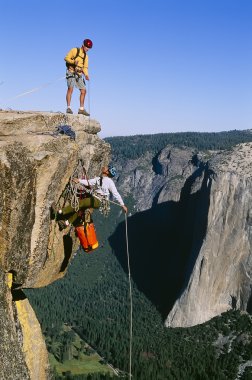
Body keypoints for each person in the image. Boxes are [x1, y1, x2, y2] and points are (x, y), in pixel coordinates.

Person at [52, 165, 127, 230]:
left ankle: (59, 212)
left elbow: (115, 193)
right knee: (80, 210)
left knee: (81, 203)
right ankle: (66, 223)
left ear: (107, 172)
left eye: (107, 167)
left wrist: (122, 205)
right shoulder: (99, 179)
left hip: (97, 200)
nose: (104, 167)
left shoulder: (110, 182)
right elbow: (89, 182)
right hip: (95, 199)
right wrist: (79, 180)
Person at [64, 38, 93, 116]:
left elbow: (85, 67)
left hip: (79, 74)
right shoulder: (75, 50)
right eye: (86, 47)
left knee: (83, 91)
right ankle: (68, 108)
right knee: (70, 89)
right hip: (71, 71)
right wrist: (73, 62)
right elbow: (66, 58)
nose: (87, 49)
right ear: (83, 45)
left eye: (89, 48)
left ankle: (81, 109)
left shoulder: (86, 57)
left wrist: (86, 75)